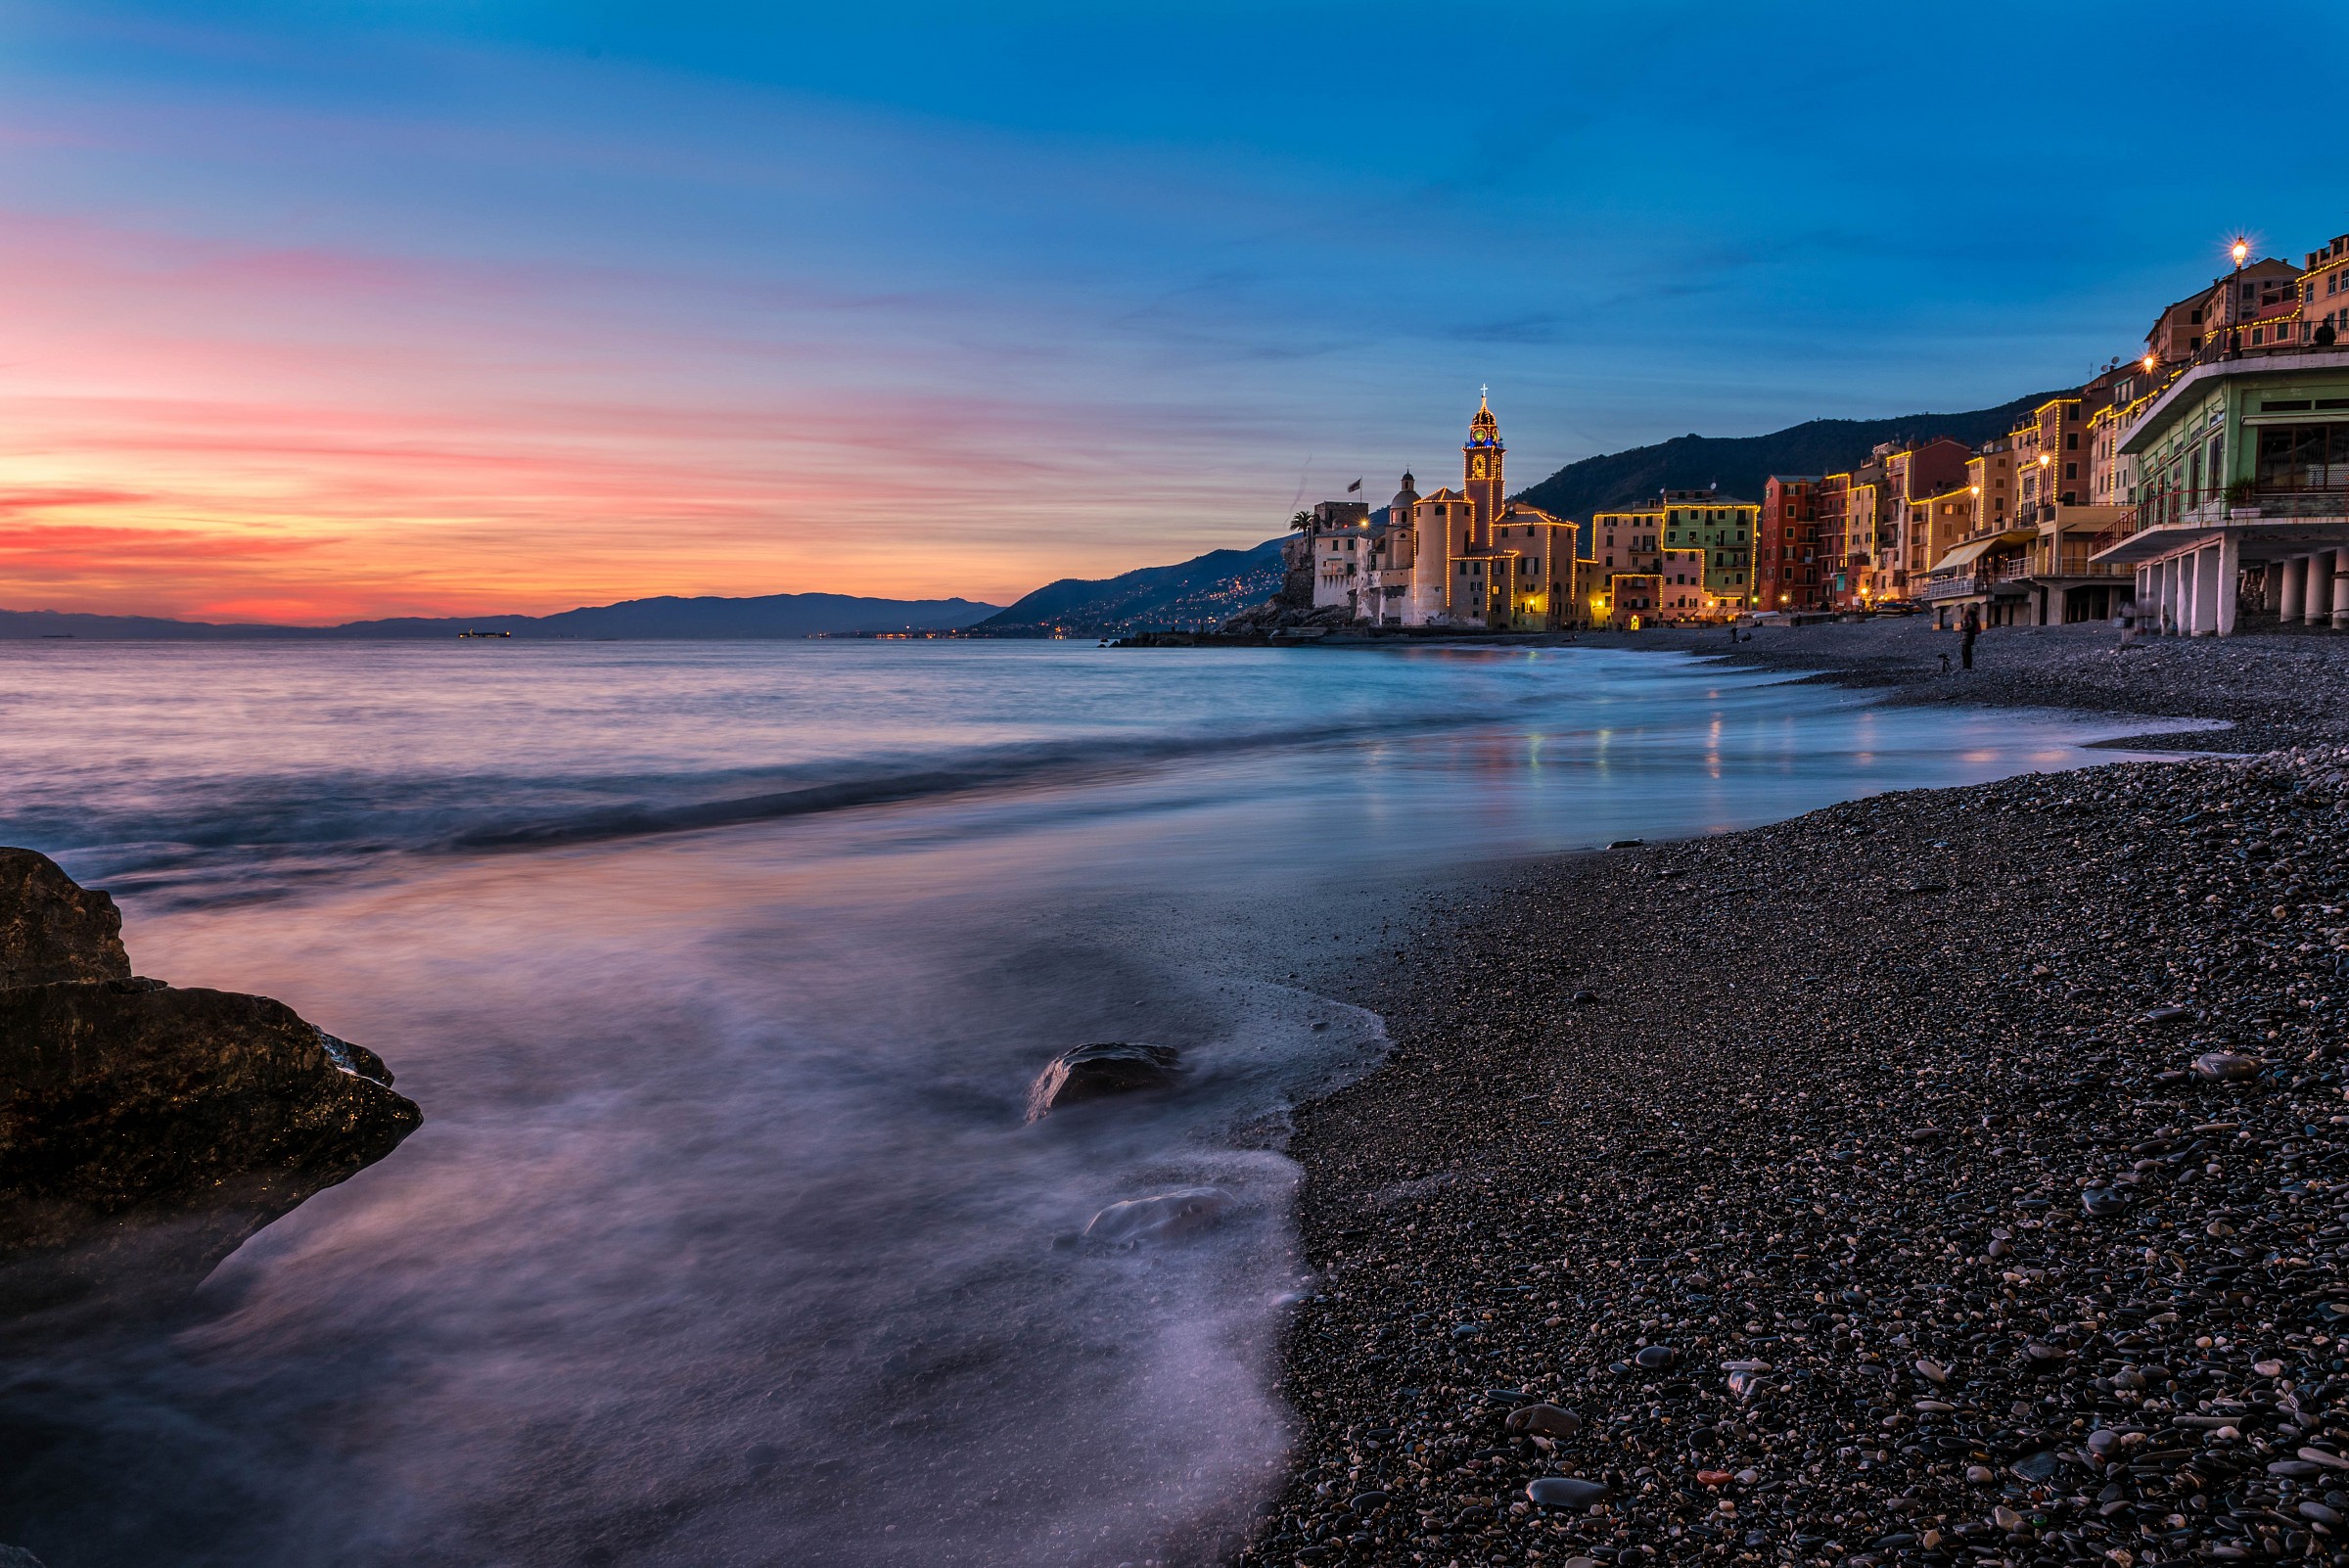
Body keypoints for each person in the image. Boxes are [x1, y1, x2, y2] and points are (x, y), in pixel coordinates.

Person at [1960, 604, 1980, 670]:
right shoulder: (1969, 615)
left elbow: (1971, 626)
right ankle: (1966, 666)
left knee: (1966, 652)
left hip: (1968, 635)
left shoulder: (1970, 615)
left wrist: (1963, 628)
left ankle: (1967, 666)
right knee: (1964, 652)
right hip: (1966, 635)